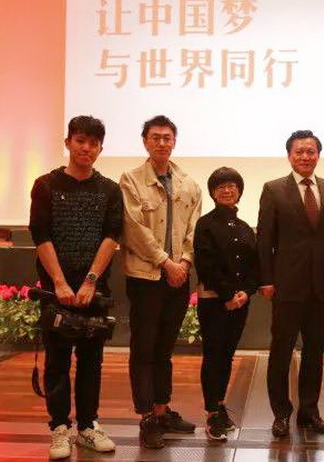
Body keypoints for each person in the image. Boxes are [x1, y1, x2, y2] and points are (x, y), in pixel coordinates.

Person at [29, 115, 121, 460]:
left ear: (100, 148)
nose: (86, 148)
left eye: (94, 143)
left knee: (91, 361)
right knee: (56, 361)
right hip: (56, 290)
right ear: (68, 142)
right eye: (80, 141)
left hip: (93, 289)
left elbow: (111, 236)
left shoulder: (109, 189)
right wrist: (59, 282)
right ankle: (59, 428)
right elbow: (41, 235)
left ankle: (87, 426)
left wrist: (90, 281)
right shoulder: (45, 185)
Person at [119, 115, 202, 449]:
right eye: (155, 137)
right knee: (144, 348)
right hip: (146, 276)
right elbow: (133, 228)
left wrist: (184, 262)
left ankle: (162, 409)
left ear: (174, 141)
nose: (162, 143)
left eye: (167, 138)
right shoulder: (131, 180)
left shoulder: (188, 183)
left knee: (165, 349)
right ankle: (147, 418)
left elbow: (194, 228)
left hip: (178, 276)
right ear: (145, 141)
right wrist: (166, 262)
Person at [257, 130, 324, 437]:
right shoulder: (273, 189)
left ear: (318, 155)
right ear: (289, 156)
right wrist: (266, 280)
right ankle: (281, 413)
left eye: (311, 151)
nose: (305, 156)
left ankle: (310, 411)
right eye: (299, 152)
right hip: (286, 286)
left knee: (315, 353)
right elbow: (264, 238)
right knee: (281, 351)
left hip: (321, 288)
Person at [194, 167, 259, 442]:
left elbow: (254, 265)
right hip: (214, 302)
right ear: (212, 192)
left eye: (232, 186)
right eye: (221, 186)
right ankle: (211, 412)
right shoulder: (205, 224)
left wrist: (246, 292)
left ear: (239, 191)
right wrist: (228, 295)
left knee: (227, 355)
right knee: (213, 355)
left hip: (240, 302)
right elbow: (206, 264)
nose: (227, 190)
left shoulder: (244, 228)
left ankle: (220, 405)